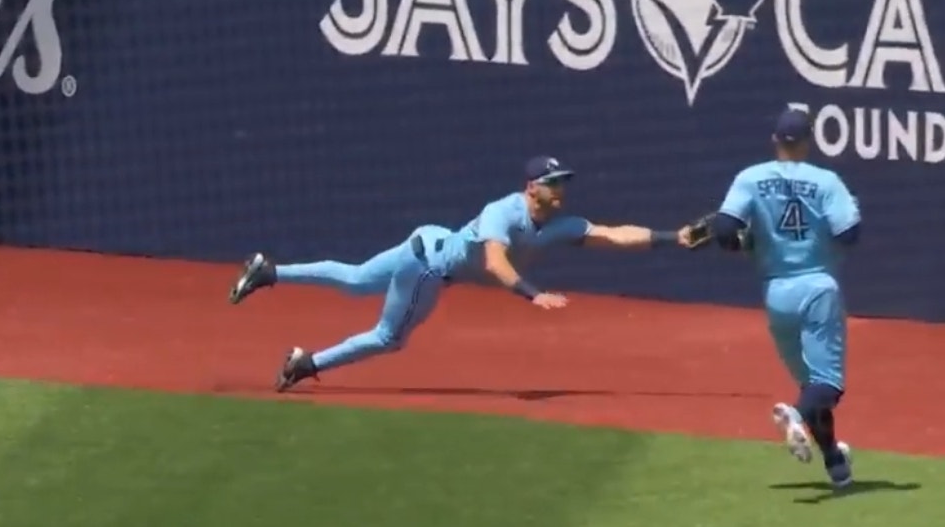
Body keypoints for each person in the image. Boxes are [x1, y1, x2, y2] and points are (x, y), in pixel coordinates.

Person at [228, 155, 695, 391]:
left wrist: (673, 236)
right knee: (389, 337)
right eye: (555, 183)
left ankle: (270, 271)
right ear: (533, 188)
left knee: (353, 280)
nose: (562, 189)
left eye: (563, 182)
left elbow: (613, 235)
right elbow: (495, 260)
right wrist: (533, 295)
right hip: (429, 267)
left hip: (425, 240)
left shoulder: (557, 225)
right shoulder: (504, 212)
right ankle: (307, 363)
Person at [703, 108, 862, 488]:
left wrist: (747, 243)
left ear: (776, 140)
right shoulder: (825, 181)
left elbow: (725, 229)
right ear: (808, 141)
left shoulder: (751, 178)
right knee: (828, 384)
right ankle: (793, 414)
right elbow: (849, 234)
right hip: (817, 288)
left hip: (776, 293)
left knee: (813, 385)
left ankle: (835, 463)